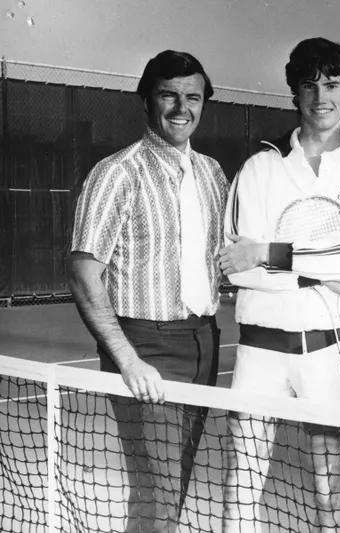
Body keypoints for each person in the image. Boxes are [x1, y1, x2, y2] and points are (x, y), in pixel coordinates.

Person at [218, 37, 340, 533]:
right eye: (310, 85)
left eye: (333, 84)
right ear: (295, 94)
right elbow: (236, 266)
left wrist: (268, 253)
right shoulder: (260, 167)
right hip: (259, 351)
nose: (322, 97)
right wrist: (322, 271)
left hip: (331, 352)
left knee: (331, 486)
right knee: (241, 485)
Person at [68, 50, 229, 533]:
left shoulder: (213, 173)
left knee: (172, 487)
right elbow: (83, 275)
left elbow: (226, 260)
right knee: (157, 491)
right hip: (145, 345)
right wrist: (128, 359)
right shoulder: (116, 172)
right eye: (168, 95)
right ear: (146, 101)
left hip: (204, 341)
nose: (182, 108)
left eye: (193, 97)